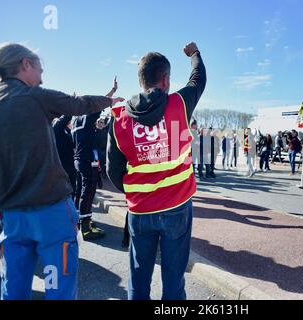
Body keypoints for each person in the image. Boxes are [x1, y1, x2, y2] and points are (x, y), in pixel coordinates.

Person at [0, 43, 123, 300]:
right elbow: (79, 104)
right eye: (39, 68)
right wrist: (110, 100)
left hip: (12, 217)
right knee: (59, 289)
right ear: (25, 64)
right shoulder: (36, 96)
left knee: (14, 290)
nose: (42, 76)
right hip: (52, 212)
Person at [106, 42, 206, 300]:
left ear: (141, 80)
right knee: (174, 280)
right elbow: (198, 78)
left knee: (139, 279)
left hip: (140, 210)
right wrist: (194, 54)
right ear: (166, 79)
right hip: (177, 206)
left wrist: (136, 191)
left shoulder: (119, 118)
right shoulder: (180, 104)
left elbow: (113, 169)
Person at [72, 77, 119, 241]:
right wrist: (112, 95)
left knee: (80, 191)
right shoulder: (87, 117)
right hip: (85, 159)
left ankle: (82, 221)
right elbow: (99, 103)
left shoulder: (77, 118)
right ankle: (85, 228)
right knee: (88, 190)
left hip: (82, 158)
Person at [53, 115, 76, 197]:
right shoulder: (56, 129)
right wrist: (70, 108)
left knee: (73, 189)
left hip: (71, 164)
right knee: (64, 191)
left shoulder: (68, 131)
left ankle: (72, 206)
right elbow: (64, 119)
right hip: (62, 165)